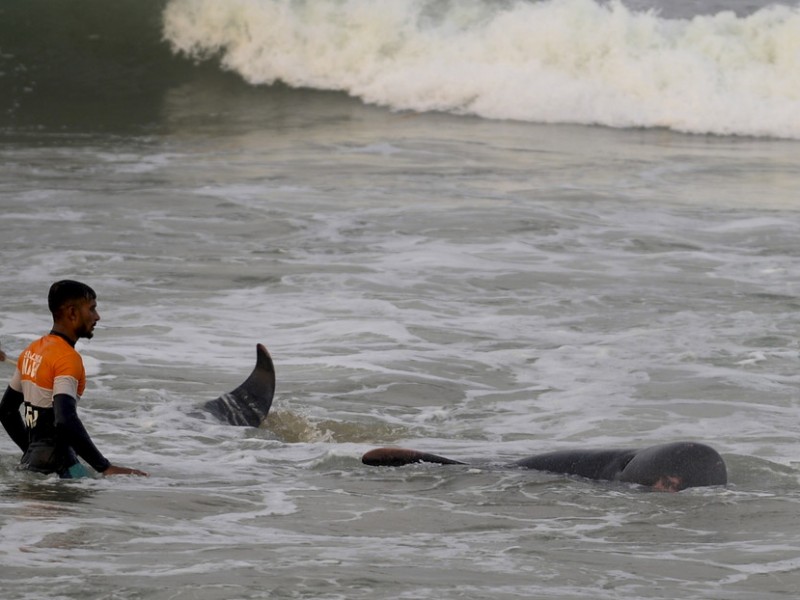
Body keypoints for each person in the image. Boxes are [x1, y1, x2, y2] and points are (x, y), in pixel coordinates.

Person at [0, 280, 147, 478]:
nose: (97, 317)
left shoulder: (32, 351)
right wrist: (104, 466)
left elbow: (6, 411)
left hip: (31, 464)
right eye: (92, 309)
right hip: (62, 468)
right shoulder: (67, 359)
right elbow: (65, 420)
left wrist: (32, 451)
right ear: (72, 313)